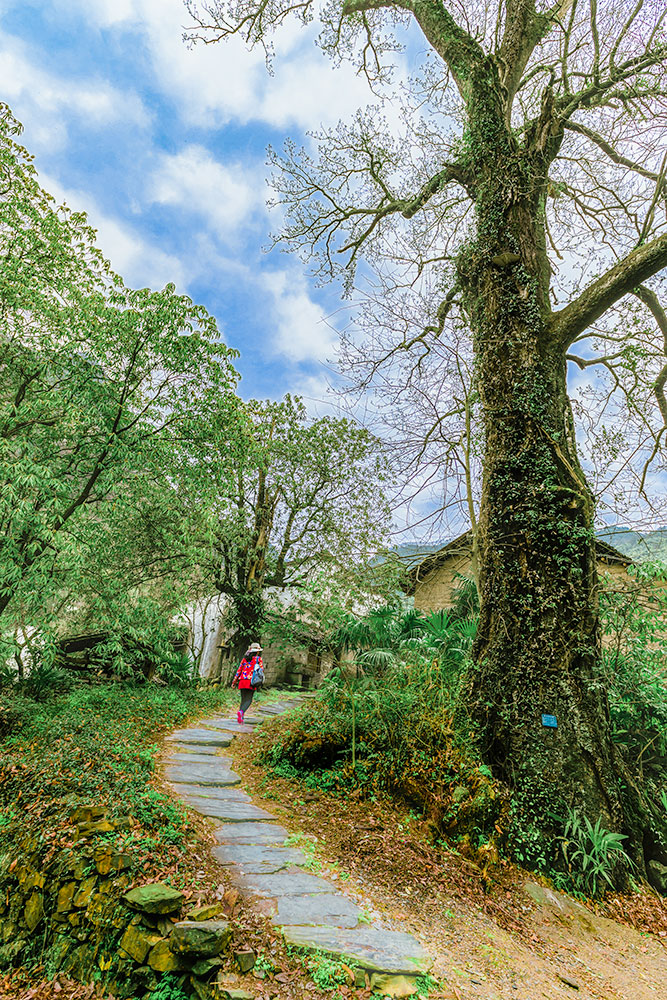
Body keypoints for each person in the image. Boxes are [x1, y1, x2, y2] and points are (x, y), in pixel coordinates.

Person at [232, 642, 264, 723]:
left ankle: (240, 717)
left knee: (243, 699)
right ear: (257, 651)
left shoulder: (244, 659)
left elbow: (239, 670)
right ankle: (241, 712)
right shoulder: (258, 659)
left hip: (242, 681)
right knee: (249, 699)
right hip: (251, 681)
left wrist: (234, 681)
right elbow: (261, 670)